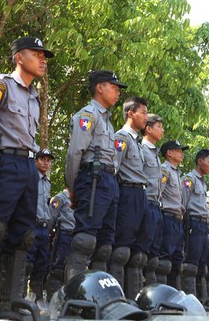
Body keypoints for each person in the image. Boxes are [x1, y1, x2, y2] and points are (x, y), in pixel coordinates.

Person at [0, 36, 54, 311]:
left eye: (44, 56)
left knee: (23, 236)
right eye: (36, 54)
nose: (42, 59)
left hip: (28, 166)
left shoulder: (34, 96)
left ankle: (9, 301)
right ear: (19, 57)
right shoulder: (0, 85)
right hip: (4, 162)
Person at [64, 70, 126, 283]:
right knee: (85, 240)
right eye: (114, 87)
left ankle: (100, 295)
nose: (118, 92)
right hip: (93, 179)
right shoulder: (87, 116)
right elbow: (74, 153)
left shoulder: (108, 121)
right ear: (100, 87)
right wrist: (72, 188)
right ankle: (75, 294)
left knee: (105, 246)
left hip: (109, 181)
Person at [110, 96, 149, 299]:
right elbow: (113, 170)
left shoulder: (138, 142)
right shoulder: (121, 138)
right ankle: (115, 297)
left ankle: (133, 298)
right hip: (127, 193)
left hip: (140, 195)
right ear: (130, 113)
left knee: (136, 254)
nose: (146, 117)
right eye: (143, 112)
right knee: (121, 250)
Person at [181, 149, 209, 300]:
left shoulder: (203, 182)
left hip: (203, 225)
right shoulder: (189, 179)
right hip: (193, 223)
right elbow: (182, 202)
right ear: (200, 161)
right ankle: (189, 299)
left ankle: (201, 301)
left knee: (201, 266)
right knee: (190, 264)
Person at [158, 140, 189, 289]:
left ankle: (174, 296)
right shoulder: (164, 170)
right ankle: (161, 295)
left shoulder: (177, 173)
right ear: (169, 153)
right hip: (167, 218)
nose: (181, 153)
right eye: (178, 150)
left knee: (177, 261)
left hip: (178, 220)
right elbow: (158, 192)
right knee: (164, 261)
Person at [140, 114, 165, 286]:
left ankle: (152, 296)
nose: (162, 130)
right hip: (145, 203)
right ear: (148, 129)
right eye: (159, 127)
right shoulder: (140, 148)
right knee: (139, 254)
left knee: (154, 257)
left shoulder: (155, 154)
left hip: (157, 206)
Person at [26, 148, 54, 304]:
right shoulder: (31, 178)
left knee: (41, 263)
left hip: (44, 228)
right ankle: (20, 294)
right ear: (36, 161)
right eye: (42, 159)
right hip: (32, 224)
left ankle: (36, 298)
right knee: (27, 263)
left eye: (49, 160)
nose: (46, 162)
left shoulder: (47, 182)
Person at [46, 187, 75, 298]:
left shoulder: (81, 198)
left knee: (71, 270)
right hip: (64, 235)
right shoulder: (59, 198)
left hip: (76, 236)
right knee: (58, 269)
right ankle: (52, 297)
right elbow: (52, 216)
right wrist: (47, 234)